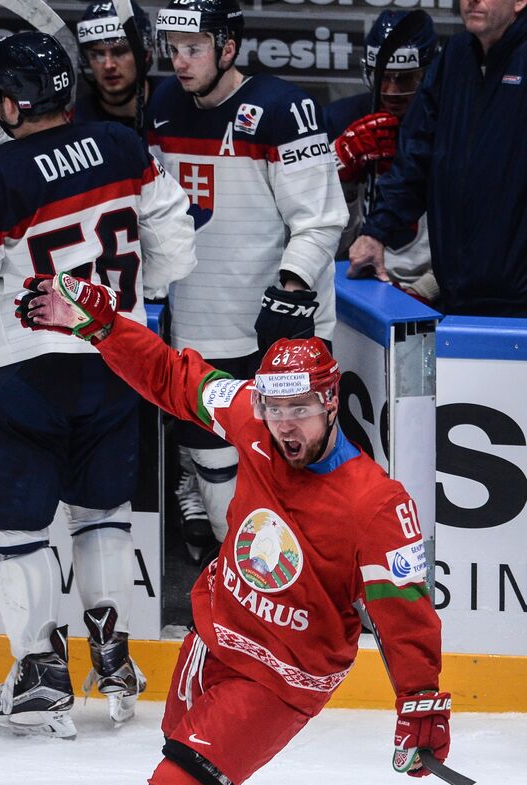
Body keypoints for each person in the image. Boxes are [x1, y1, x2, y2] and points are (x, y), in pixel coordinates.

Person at [16, 272, 450, 785]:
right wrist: (100, 327)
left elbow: (404, 614)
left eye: (301, 409)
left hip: (284, 676)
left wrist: (420, 700)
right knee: (190, 770)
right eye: (275, 407)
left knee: (177, 780)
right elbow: (169, 374)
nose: (283, 424)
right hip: (214, 636)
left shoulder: (375, 503)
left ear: (330, 402)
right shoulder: (249, 413)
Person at [0, 32, 196, 737]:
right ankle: (113, 655)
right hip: (119, 358)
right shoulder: (123, 147)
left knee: (15, 526)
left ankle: (38, 673)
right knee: (101, 512)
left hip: (25, 370)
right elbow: (175, 251)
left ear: (5, 102)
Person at [147, 0, 348, 563]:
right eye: (174, 50)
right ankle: (245, 586)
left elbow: (322, 218)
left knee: (297, 471)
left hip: (278, 331)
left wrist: (290, 288)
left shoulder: (285, 107)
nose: (180, 62)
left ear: (228, 48)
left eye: (194, 49)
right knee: (215, 472)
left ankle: (310, 600)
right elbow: (159, 212)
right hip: (198, 325)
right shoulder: (163, 105)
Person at [348, 0, 527, 317]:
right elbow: (416, 157)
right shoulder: (455, 58)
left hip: (519, 302)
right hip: (457, 296)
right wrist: (377, 232)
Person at [324, 10, 440, 304]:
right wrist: (339, 173)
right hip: (357, 282)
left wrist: (427, 289)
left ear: (428, 74)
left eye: (404, 79)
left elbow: (476, 232)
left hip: (436, 289)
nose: (391, 91)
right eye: (383, 77)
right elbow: (316, 241)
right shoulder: (341, 120)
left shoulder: (455, 125)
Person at [74, 0, 157, 130]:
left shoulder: (173, 101)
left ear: (145, 53)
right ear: (86, 59)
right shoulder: (74, 121)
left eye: (120, 52)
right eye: (98, 54)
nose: (108, 65)